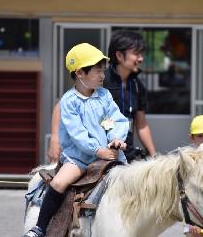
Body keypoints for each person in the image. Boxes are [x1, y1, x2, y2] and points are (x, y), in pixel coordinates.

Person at [24, 43, 129, 237]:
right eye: (98, 71)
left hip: (110, 154)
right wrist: (98, 151)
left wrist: (116, 138)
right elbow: (77, 134)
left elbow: (115, 120)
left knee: (131, 180)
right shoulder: (69, 101)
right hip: (80, 158)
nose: (103, 76)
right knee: (58, 184)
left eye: (103, 71)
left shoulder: (104, 96)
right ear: (80, 73)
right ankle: (40, 227)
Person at [47, 29, 157, 164]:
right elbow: (61, 106)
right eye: (136, 54)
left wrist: (154, 155)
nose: (141, 59)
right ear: (120, 56)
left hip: (122, 150)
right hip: (95, 153)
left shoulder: (137, 85)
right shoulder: (99, 79)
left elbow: (141, 124)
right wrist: (54, 139)